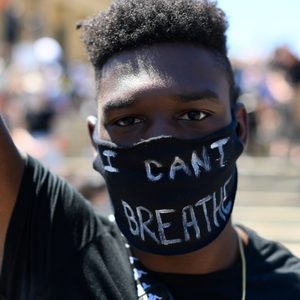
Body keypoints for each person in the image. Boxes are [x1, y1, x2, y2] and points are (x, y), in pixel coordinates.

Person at [0, 0, 300, 299]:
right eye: (128, 120)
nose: (162, 144)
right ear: (95, 141)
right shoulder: (53, 248)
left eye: (193, 115)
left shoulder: (289, 287)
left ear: (239, 128)